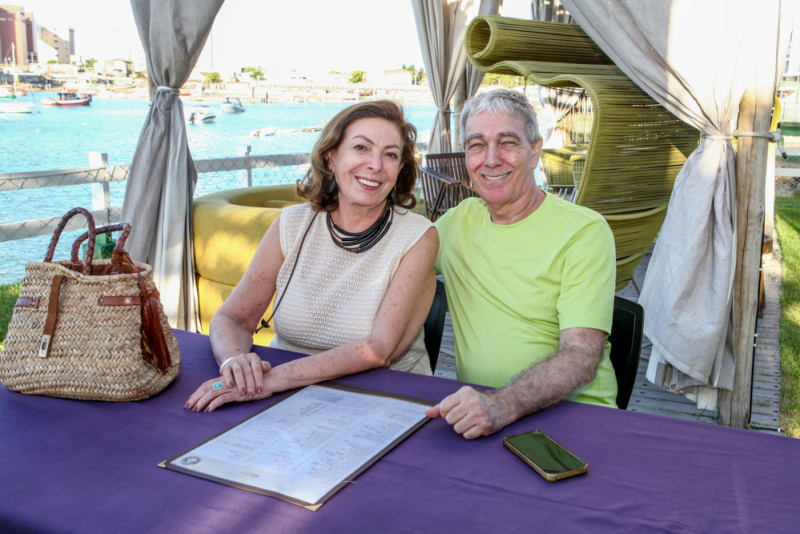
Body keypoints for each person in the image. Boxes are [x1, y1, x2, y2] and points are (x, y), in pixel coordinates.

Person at [186, 101, 438, 413]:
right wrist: (235, 363)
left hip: (383, 398)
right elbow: (233, 318)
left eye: (390, 154)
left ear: (400, 169)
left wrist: (273, 380)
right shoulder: (292, 223)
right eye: (361, 147)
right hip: (284, 394)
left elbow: (378, 350)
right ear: (331, 157)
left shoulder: (417, 235)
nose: (375, 164)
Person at [424, 89, 617, 439]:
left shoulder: (583, 231)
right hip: (483, 419)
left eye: (507, 142)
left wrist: (502, 405)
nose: (491, 159)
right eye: (477, 145)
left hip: (576, 418)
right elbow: (391, 263)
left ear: (535, 151)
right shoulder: (459, 221)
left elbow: (581, 355)